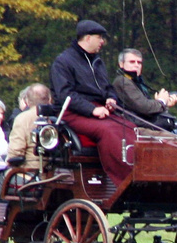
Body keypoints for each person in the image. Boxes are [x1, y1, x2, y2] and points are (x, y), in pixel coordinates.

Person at [50, 19, 136, 190]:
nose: (102, 41)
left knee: (130, 127)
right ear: (87, 38)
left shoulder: (97, 61)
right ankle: (124, 181)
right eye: (100, 37)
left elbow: (107, 88)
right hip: (72, 113)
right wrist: (92, 110)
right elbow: (64, 95)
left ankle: (138, 172)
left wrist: (111, 99)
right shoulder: (63, 62)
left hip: (100, 110)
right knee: (108, 130)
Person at [112, 47, 177, 131]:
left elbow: (147, 108)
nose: (136, 65)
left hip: (142, 125)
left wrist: (164, 104)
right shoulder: (122, 81)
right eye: (132, 62)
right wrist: (162, 102)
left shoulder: (136, 81)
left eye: (139, 62)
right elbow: (144, 107)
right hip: (133, 128)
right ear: (121, 64)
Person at [6, 83, 51, 169]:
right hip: (54, 171)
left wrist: (7, 162)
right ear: (49, 99)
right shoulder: (56, 117)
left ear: (27, 101)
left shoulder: (22, 118)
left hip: (29, 171)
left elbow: (15, 152)